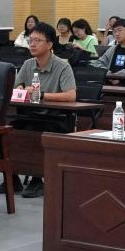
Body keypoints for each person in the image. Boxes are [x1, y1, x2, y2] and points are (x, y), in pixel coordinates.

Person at [11, 22, 78, 198]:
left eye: (37, 41)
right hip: (31, 115)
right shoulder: (27, 64)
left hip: (55, 118)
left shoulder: (62, 66)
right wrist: (21, 90)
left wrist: (41, 95)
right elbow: (16, 88)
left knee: (36, 132)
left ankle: (37, 180)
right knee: (9, 130)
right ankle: (12, 177)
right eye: (31, 40)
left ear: (49, 44)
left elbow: (71, 95)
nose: (32, 44)